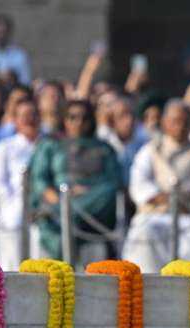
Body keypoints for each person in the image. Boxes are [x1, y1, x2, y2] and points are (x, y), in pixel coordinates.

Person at [122, 100, 190, 272]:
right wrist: (165, 197)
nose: (180, 127)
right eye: (175, 121)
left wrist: (183, 195)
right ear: (165, 122)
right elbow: (139, 184)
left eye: (185, 122)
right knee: (146, 233)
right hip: (156, 214)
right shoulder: (150, 150)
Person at [29, 100, 121, 261]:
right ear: (64, 119)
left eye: (84, 118)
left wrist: (85, 192)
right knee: (55, 209)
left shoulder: (104, 148)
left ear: (91, 121)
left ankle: (65, 215)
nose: (79, 122)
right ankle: (64, 214)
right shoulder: (50, 144)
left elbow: (113, 181)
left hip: (94, 205)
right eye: (73, 117)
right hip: (59, 198)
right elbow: (39, 179)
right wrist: (59, 199)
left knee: (109, 191)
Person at [0, 99, 40, 270]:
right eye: (24, 116)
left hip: (40, 221)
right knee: (10, 269)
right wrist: (16, 207)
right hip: (11, 221)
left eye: (33, 115)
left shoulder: (47, 146)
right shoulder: (5, 147)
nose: (29, 120)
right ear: (16, 120)